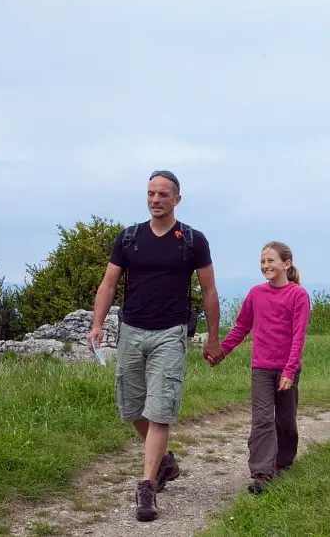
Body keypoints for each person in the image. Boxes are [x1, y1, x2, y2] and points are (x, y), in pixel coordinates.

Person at [88, 169, 223, 522]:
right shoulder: (129, 238)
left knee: (160, 409)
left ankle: (146, 488)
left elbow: (209, 291)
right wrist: (97, 324)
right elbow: (108, 283)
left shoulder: (192, 240)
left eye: (163, 194)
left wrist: (213, 338)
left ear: (177, 199)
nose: (156, 200)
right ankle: (164, 462)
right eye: (151, 193)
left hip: (170, 333)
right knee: (132, 408)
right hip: (131, 330)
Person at [209, 240, 310, 495]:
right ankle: (261, 474)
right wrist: (223, 351)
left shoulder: (298, 295)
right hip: (261, 368)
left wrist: (289, 370)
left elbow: (299, 336)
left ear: (286, 264)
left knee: (285, 421)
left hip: (287, 369)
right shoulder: (255, 293)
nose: (265, 265)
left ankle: (283, 462)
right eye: (262, 262)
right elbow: (242, 327)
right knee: (262, 420)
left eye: (271, 261)